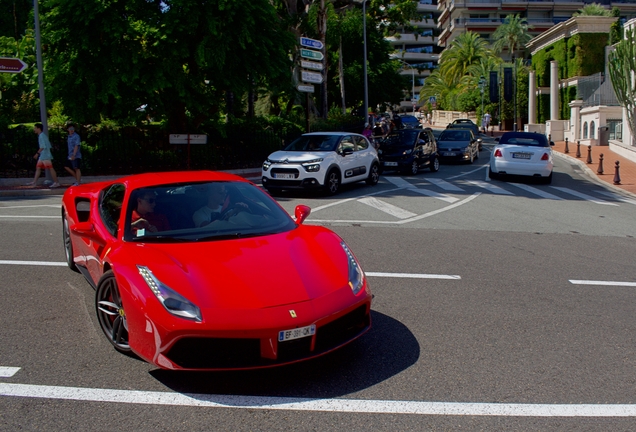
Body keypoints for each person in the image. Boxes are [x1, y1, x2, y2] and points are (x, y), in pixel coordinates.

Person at [27, 123, 60, 188]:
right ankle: (34, 182)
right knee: (38, 168)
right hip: (43, 155)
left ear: (38, 128)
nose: (34, 129)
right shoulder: (42, 135)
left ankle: (56, 182)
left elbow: (42, 146)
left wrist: (37, 153)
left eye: (35, 128)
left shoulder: (41, 136)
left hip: (45, 155)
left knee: (50, 168)